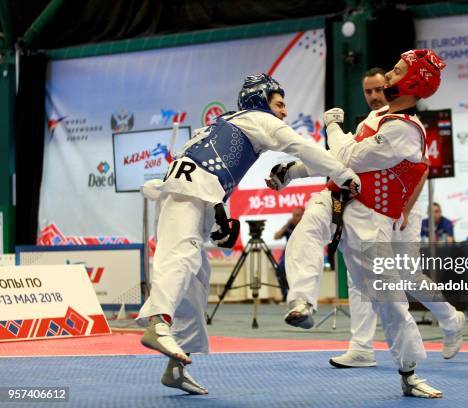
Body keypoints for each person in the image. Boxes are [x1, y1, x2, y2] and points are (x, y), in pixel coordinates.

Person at [136, 73, 361, 395]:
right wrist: (343, 173)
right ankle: (158, 322)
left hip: (194, 194)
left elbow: (207, 169)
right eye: (279, 104)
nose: (284, 112)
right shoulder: (258, 119)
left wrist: (219, 214)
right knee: (181, 258)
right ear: (262, 100)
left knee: (196, 283)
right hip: (187, 194)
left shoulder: (224, 123)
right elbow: (301, 146)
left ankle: (175, 368)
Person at [269, 50, 459, 398]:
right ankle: (302, 303)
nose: (388, 74)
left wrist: (330, 125)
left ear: (412, 83)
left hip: (372, 219)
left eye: (397, 70)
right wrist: (293, 172)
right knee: (307, 231)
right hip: (338, 197)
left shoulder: (405, 130)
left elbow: (344, 155)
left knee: (389, 299)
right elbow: (340, 165)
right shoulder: (374, 120)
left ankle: (409, 373)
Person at [326, 68, 463, 369]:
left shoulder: (404, 123)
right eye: (368, 91)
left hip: (402, 208)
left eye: (379, 88)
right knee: (361, 274)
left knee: (406, 276)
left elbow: (423, 169)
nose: (374, 96)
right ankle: (361, 347)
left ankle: (451, 321)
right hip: (374, 208)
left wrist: (406, 210)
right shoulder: (367, 123)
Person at [273, 207, 305, 301]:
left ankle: (298, 295)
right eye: (294, 215)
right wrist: (286, 224)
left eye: (297, 216)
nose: (295, 218)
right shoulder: (289, 226)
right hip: (288, 254)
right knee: (280, 269)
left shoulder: (305, 226)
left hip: (301, 253)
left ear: (303, 216)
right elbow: (276, 236)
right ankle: (286, 294)